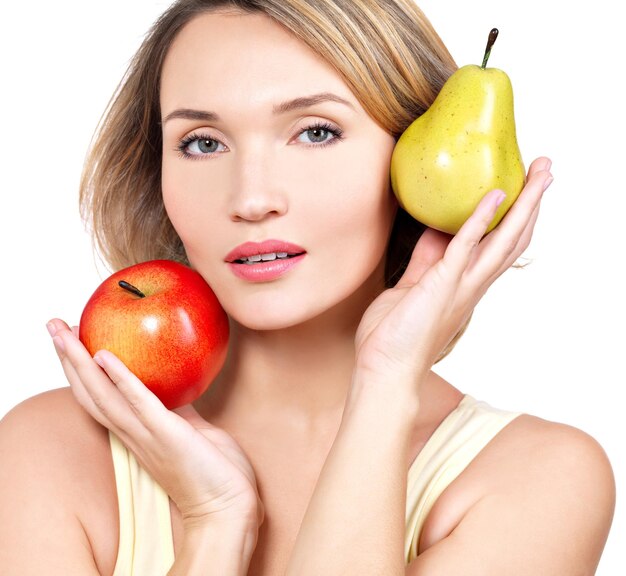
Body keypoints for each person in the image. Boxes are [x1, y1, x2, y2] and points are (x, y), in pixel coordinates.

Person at [0, 0, 615, 574]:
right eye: (202, 143)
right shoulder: (47, 453)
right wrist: (214, 524)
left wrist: (385, 382)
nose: (251, 199)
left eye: (315, 132)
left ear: (416, 153)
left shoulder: (539, 478)